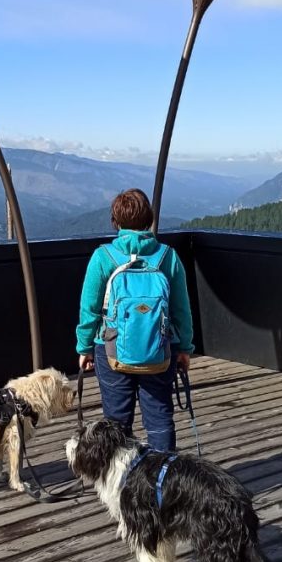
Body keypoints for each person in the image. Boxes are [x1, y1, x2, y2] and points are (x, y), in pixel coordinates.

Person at [76, 188, 194, 451]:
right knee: (160, 417)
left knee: (117, 422)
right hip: (161, 349)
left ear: (115, 222)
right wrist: (185, 347)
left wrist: (84, 348)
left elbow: (89, 310)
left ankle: (121, 486)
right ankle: (162, 482)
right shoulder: (167, 256)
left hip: (111, 350)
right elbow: (181, 309)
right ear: (149, 219)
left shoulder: (103, 257)